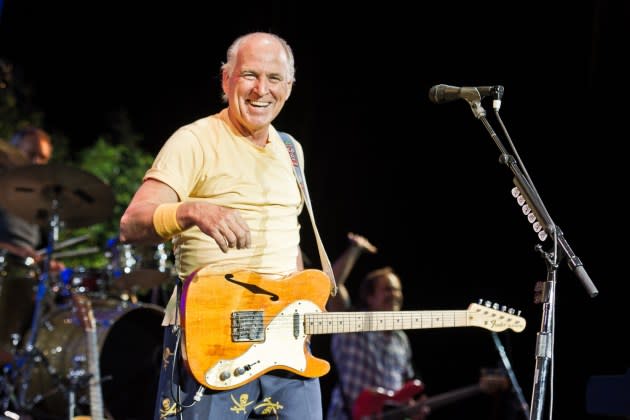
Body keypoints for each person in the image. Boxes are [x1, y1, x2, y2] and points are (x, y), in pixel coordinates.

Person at [119, 32, 334, 419]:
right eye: (249, 75)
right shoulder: (194, 141)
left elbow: (288, 240)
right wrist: (190, 211)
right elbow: (132, 223)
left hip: (286, 348)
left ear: (289, 87)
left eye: (274, 79)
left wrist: (304, 298)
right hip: (214, 338)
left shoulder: (291, 150)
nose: (260, 90)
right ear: (226, 80)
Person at [325, 235, 427, 420]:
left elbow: (401, 389)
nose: (395, 295)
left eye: (397, 290)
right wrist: (355, 249)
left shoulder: (401, 339)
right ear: (369, 297)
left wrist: (412, 409)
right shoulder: (352, 323)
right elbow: (332, 286)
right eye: (388, 289)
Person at [0, 127, 64, 362]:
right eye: (31, 154)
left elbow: (41, 250)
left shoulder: (39, 201)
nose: (37, 163)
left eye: (43, 158)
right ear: (11, 152)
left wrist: (49, 262)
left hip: (27, 277)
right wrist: (19, 253)